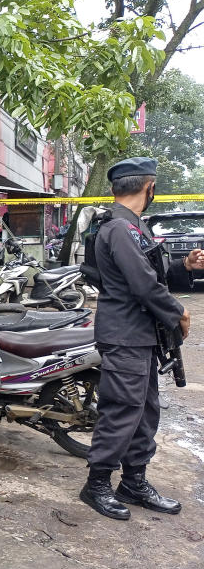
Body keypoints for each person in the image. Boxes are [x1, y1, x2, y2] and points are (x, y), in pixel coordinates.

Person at [79, 156, 204, 519]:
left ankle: (134, 481)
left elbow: (154, 274)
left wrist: (184, 267)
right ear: (149, 187)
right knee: (121, 412)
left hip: (141, 335)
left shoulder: (134, 227)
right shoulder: (119, 227)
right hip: (125, 334)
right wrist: (178, 311)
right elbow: (143, 285)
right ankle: (97, 484)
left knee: (144, 412)